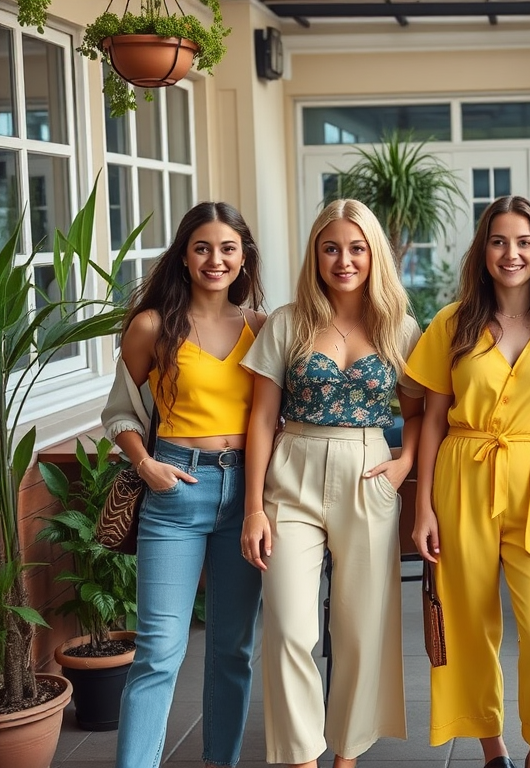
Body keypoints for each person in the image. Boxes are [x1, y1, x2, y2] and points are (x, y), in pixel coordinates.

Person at [240, 199, 423, 768]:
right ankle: (300, 757)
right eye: (331, 248)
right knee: (291, 629)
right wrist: (253, 508)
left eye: (357, 248)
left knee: (361, 629)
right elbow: (262, 418)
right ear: (315, 254)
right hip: (291, 472)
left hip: (369, 468)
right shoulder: (287, 322)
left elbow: (417, 412)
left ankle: (345, 755)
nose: (344, 260)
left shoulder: (401, 326)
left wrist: (404, 461)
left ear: (375, 254)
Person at [408, 196, 530, 768]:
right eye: (500, 241)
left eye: (524, 242)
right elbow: (432, 417)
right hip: (462, 474)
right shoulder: (451, 322)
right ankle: (492, 749)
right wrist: (423, 509)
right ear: (483, 250)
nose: (512, 254)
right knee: (466, 622)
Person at [101, 202, 266, 768]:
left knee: (232, 651)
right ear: (184, 255)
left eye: (227, 248)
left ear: (244, 257)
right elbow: (120, 412)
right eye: (202, 247)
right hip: (175, 491)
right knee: (158, 652)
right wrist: (146, 465)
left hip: (246, 494)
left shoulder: (261, 329)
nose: (215, 260)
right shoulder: (151, 326)